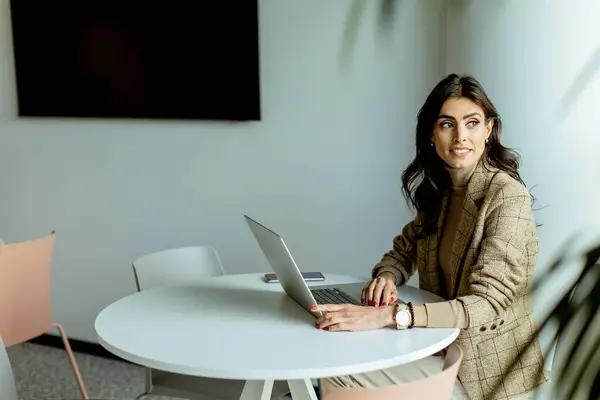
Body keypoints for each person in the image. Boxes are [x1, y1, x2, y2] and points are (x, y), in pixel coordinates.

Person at [311, 74, 548, 400]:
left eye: (472, 123)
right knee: (338, 363)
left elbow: (488, 304)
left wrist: (389, 315)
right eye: (447, 124)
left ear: (488, 131)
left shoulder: (507, 197)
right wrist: (388, 275)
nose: (461, 136)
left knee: (342, 379)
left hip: (484, 373)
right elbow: (404, 249)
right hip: (437, 348)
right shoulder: (442, 193)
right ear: (431, 135)